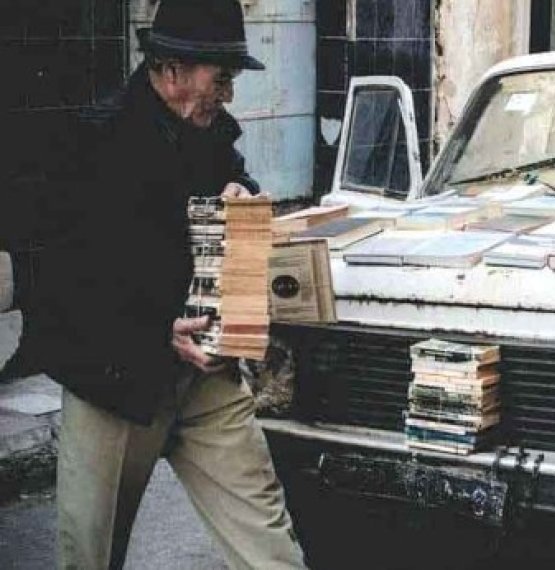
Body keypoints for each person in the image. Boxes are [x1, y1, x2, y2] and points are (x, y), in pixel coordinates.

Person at [8, 0, 308, 568]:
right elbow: (56, 284)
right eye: (221, 79)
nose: (229, 95)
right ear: (172, 70)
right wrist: (155, 330)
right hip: (114, 385)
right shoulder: (90, 142)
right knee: (89, 553)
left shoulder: (211, 130)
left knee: (269, 543)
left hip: (204, 381)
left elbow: (233, 173)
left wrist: (239, 190)